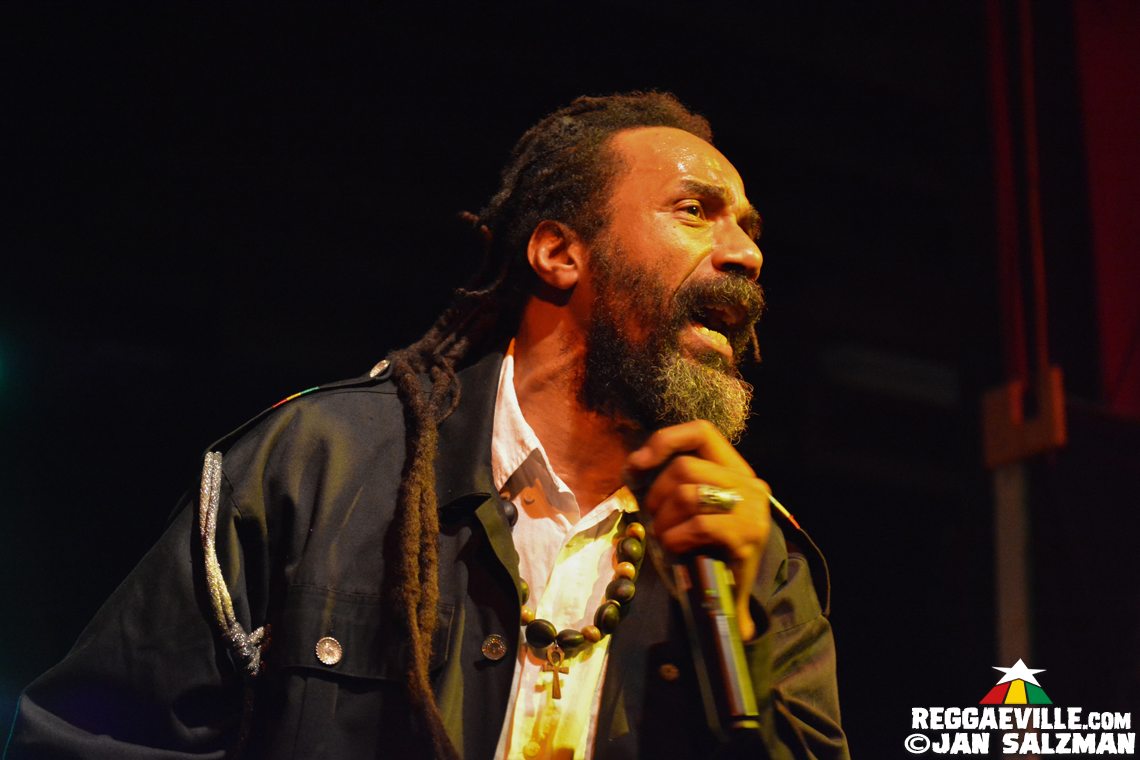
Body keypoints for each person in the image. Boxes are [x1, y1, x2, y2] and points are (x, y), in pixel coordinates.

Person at [7, 92, 848, 759]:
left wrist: (741, 625)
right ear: (560, 254)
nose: (745, 253)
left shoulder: (758, 555)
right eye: (696, 210)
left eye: (748, 228)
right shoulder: (322, 466)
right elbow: (91, 740)